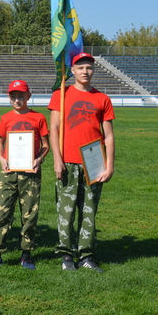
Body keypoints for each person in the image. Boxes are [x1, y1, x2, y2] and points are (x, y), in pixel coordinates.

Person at [48, 52, 115, 273]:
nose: (85, 72)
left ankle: (86, 255)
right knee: (65, 212)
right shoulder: (61, 95)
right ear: (72, 71)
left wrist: (110, 165)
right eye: (80, 68)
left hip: (93, 163)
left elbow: (109, 136)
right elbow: (54, 129)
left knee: (89, 212)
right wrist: (57, 160)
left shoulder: (102, 99)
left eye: (88, 68)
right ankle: (67, 255)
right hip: (68, 161)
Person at [0, 80, 49, 271]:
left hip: (31, 173)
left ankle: (26, 254)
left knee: (29, 214)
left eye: (21, 95)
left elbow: (45, 145)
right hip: (9, 172)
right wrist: (1, 159)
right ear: (9, 97)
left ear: (29, 96)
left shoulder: (39, 118)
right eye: (13, 96)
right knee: (2, 212)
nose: (17, 99)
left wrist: (39, 159)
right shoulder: (5, 118)